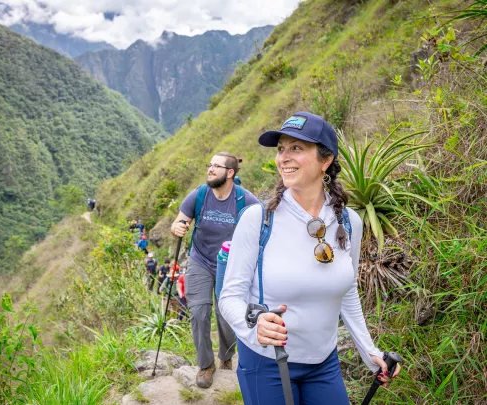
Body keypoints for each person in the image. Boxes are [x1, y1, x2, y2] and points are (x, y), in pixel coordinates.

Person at [219, 112, 401, 404]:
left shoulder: (350, 223)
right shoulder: (259, 220)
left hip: (323, 363)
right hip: (267, 362)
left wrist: (370, 351)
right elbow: (229, 297)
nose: (284, 158)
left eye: (297, 148)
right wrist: (254, 326)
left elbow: (347, 289)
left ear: (325, 160)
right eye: (281, 149)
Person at [171, 152, 258, 388]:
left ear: (230, 173)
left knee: (226, 314)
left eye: (216, 166)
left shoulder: (245, 200)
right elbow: (179, 221)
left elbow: (263, 226)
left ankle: (226, 357)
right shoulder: (199, 194)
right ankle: (206, 365)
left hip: (229, 264)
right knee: (198, 312)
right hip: (199, 260)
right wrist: (178, 228)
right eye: (209, 164)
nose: (210, 169)